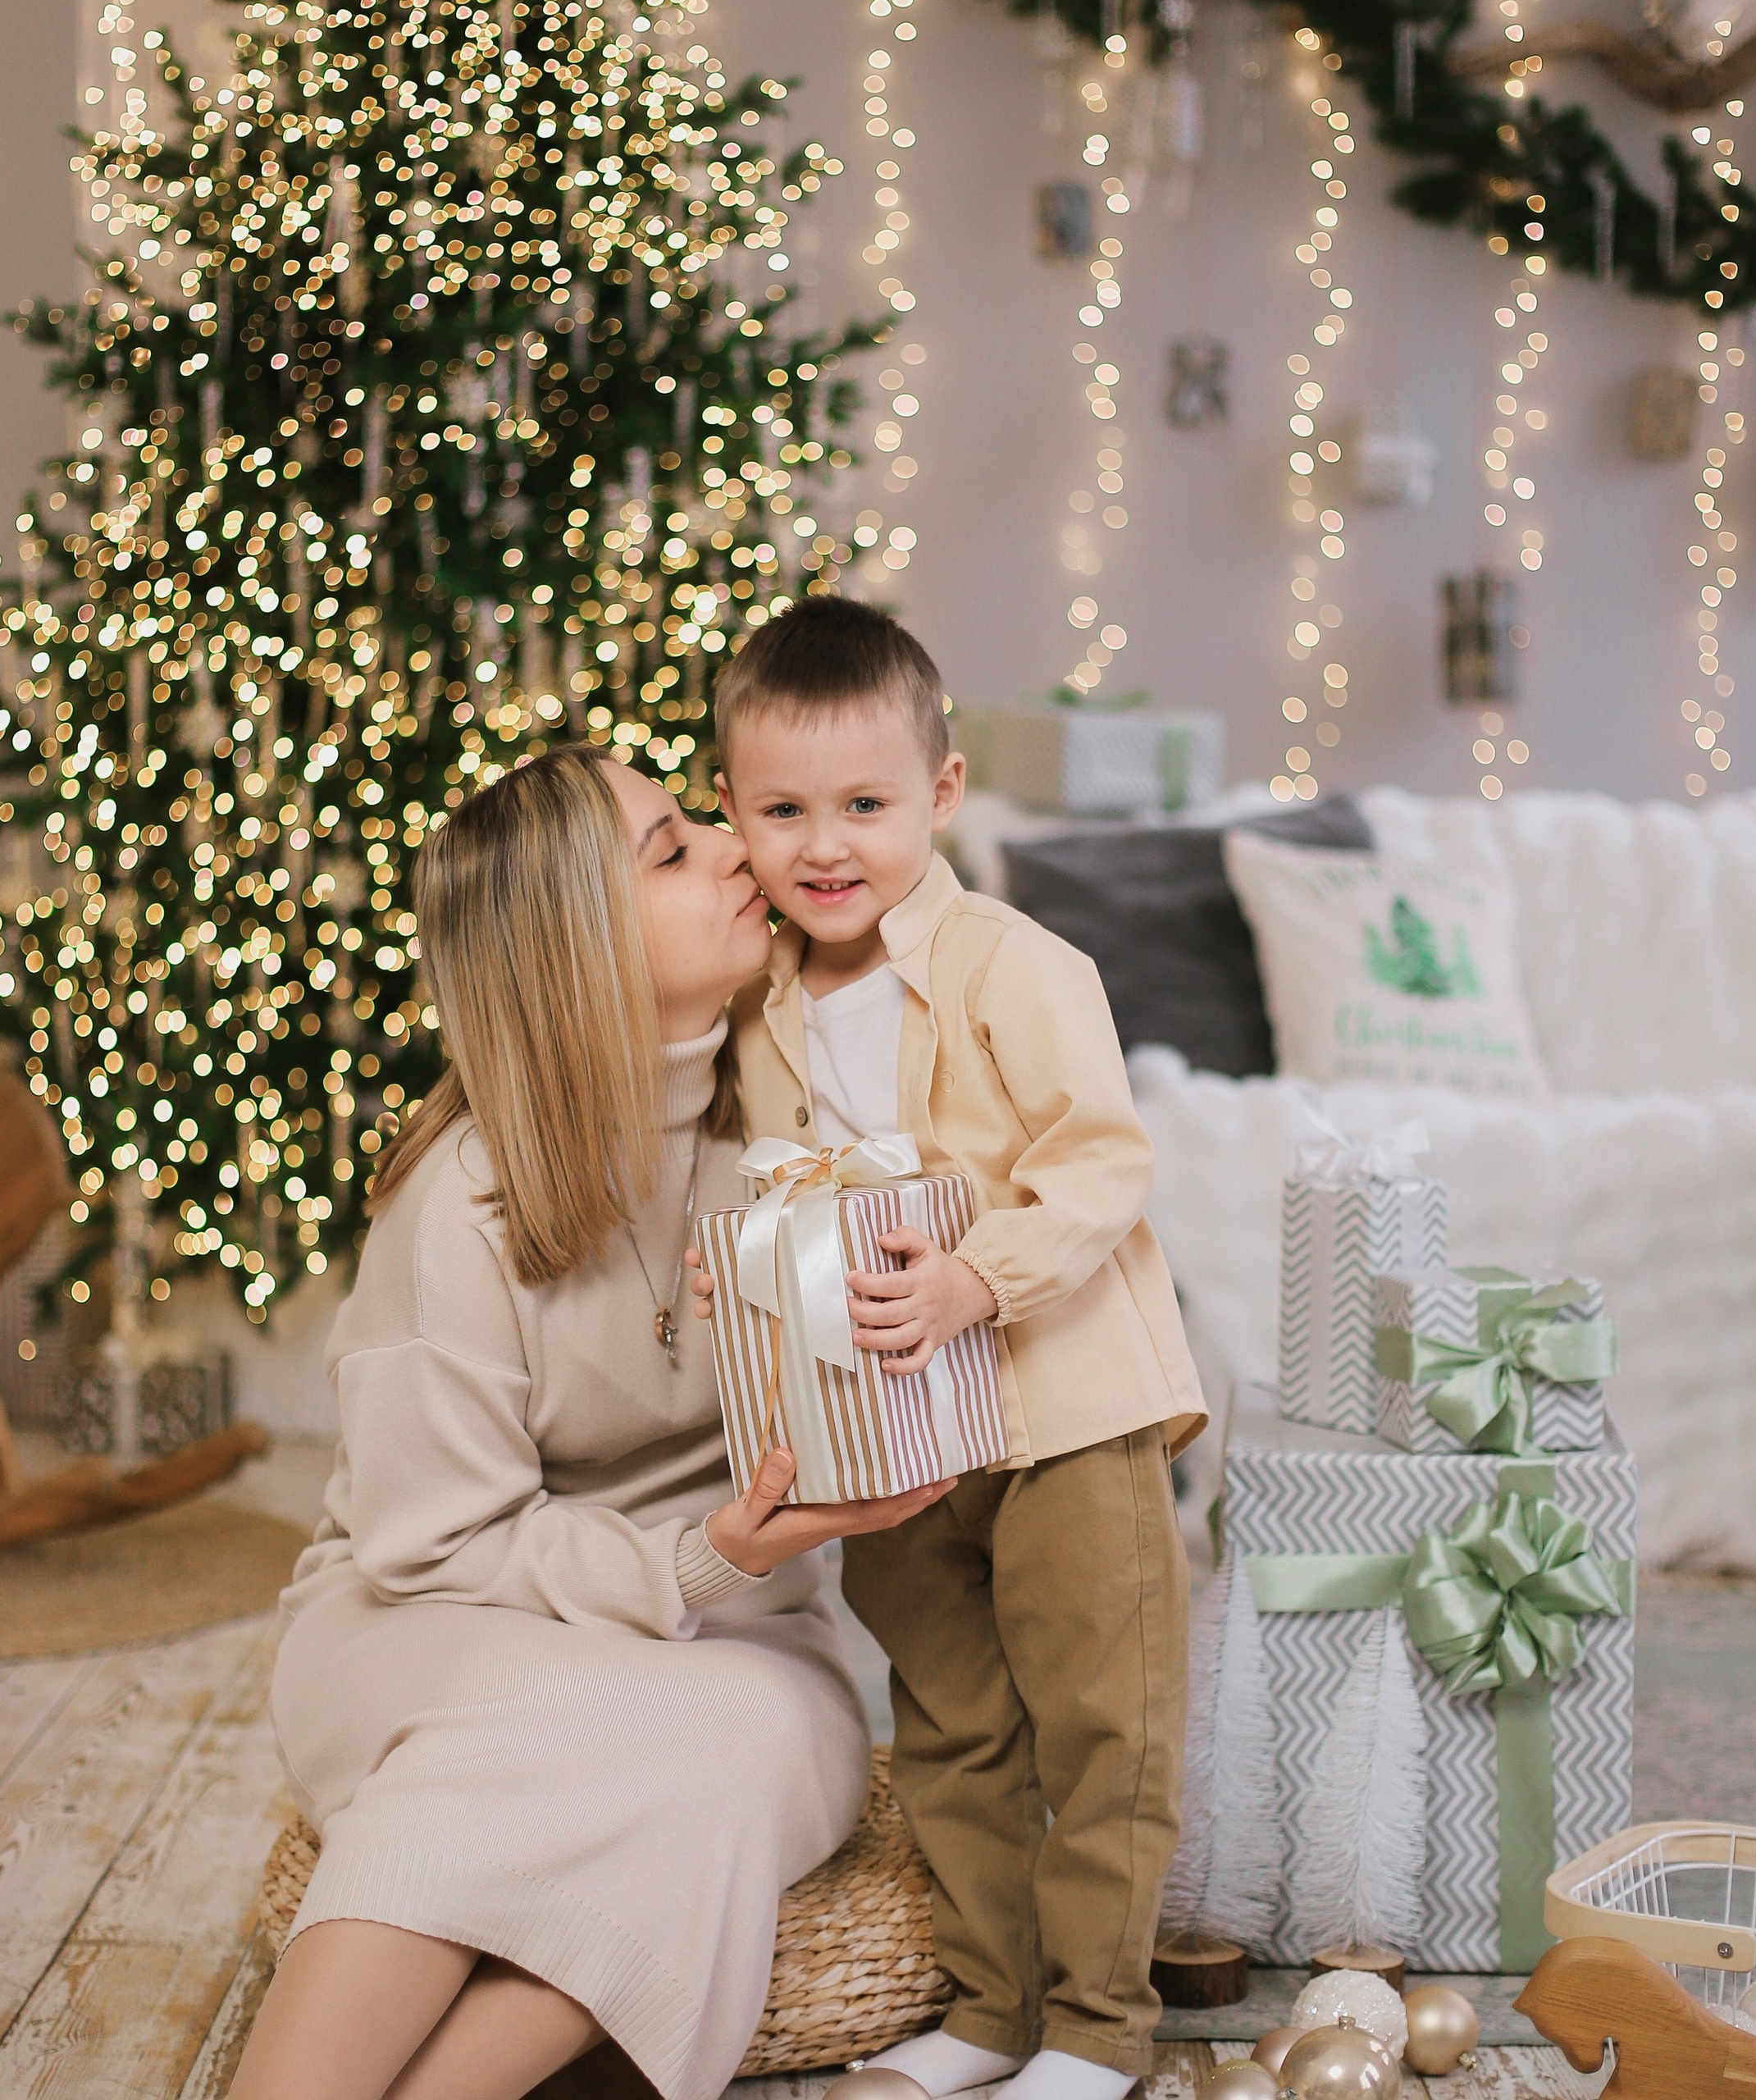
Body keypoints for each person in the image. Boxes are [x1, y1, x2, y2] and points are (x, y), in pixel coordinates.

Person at [235, 746, 951, 2100]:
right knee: (573, 1735)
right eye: (674, 850)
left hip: (742, 1645)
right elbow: (430, 1547)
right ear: (574, 943)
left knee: (737, 1745)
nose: (742, 848)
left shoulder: (807, 1126)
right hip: (437, 1620)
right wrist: (702, 1557)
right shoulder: (461, 1201)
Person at [708, 598, 1209, 2100]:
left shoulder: (1014, 966)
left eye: (865, 804)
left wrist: (975, 1281)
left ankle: (1101, 2031)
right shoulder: (763, 1007)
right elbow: (776, 1179)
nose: (826, 845)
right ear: (733, 814)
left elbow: (1104, 1166)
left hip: (1063, 1409)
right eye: (782, 810)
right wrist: (737, 1248)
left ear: (940, 795)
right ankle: (990, 2010)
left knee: (1102, 1721)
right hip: (896, 1439)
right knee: (949, 1723)